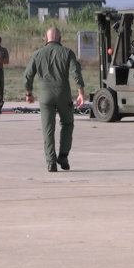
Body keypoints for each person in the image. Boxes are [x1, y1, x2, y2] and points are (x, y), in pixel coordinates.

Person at [23, 27, 85, 172]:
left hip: (45, 96)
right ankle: (63, 156)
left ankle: (51, 162)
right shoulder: (67, 52)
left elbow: (28, 75)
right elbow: (76, 72)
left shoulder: (37, 54)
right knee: (67, 124)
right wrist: (81, 93)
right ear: (60, 38)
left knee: (48, 129)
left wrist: (29, 93)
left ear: (46, 38)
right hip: (63, 94)